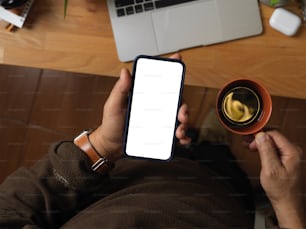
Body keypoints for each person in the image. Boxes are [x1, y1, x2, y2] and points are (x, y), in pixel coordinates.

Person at [0, 54, 304, 229]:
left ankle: (200, 144)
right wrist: (286, 204)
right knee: (221, 164)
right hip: (226, 202)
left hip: (134, 176)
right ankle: (210, 144)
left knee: (185, 144)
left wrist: (103, 145)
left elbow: (11, 207)